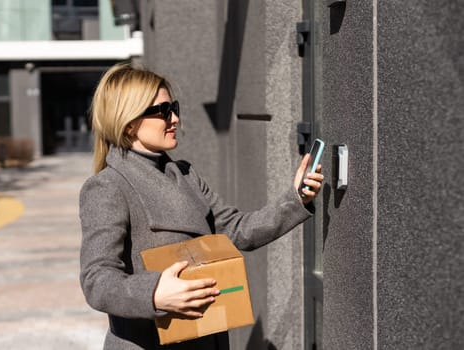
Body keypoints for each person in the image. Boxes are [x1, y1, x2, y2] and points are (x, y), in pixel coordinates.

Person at [79, 63, 324, 350]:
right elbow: (97, 280)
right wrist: (155, 294)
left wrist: (295, 199)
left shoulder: (184, 174)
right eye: (162, 111)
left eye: (174, 108)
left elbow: (237, 230)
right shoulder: (108, 187)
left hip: (207, 336)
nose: (174, 119)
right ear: (129, 122)